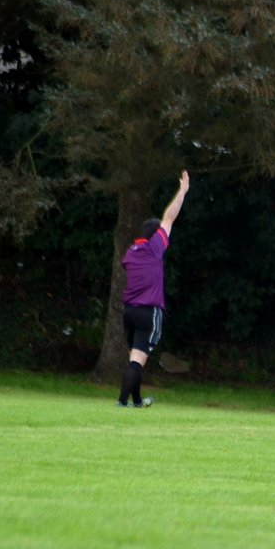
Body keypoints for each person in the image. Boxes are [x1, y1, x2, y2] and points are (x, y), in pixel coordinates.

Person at [116, 171, 189, 407]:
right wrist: (182, 191)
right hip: (149, 312)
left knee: (135, 357)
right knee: (138, 359)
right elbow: (169, 218)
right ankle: (122, 402)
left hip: (129, 312)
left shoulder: (130, 252)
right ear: (155, 235)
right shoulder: (154, 248)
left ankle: (137, 401)